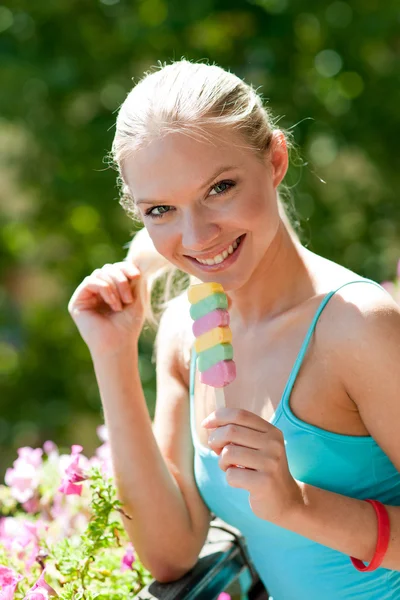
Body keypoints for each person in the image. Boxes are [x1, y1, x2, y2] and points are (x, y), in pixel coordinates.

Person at [68, 59, 400, 600]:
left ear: (275, 159)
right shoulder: (183, 332)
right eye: (161, 210)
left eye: (219, 188)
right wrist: (112, 352)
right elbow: (171, 552)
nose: (197, 235)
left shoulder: (355, 327)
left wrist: (298, 506)